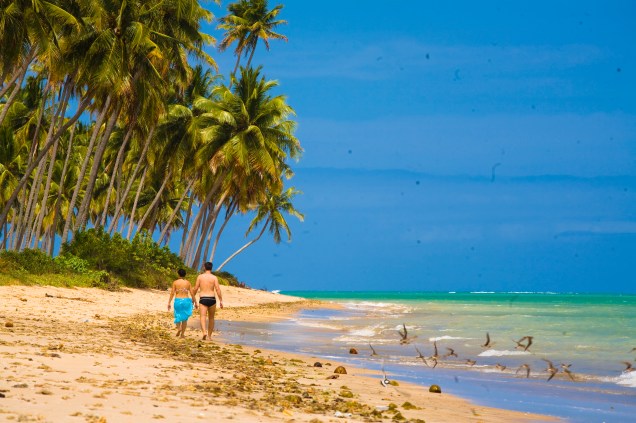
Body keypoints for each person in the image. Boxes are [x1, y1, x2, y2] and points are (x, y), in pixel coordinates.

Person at [192, 261, 223, 340]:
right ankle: (209, 336)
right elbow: (218, 289)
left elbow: (195, 288)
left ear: (204, 267)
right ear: (211, 268)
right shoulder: (214, 277)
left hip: (203, 298)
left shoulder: (200, 277)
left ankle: (204, 332)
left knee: (202, 316)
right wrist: (221, 300)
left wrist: (193, 297)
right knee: (211, 318)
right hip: (212, 299)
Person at [167, 269, 196, 338]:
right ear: (185, 274)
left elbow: (172, 293)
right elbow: (192, 293)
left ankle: (179, 328)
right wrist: (195, 301)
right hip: (186, 300)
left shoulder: (175, 282)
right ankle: (182, 334)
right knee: (184, 318)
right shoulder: (188, 283)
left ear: (178, 274)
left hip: (178, 300)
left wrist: (169, 302)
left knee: (177, 315)